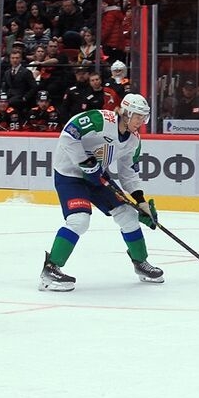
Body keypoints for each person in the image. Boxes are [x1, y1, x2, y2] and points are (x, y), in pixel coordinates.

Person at [40, 93, 162, 292]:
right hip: (70, 175)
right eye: (138, 116)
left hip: (97, 178)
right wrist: (85, 162)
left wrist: (140, 201)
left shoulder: (133, 140)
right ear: (126, 113)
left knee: (129, 215)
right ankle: (50, 269)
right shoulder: (101, 119)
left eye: (144, 117)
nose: (141, 121)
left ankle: (141, 263)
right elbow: (69, 134)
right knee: (79, 220)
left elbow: (128, 171)